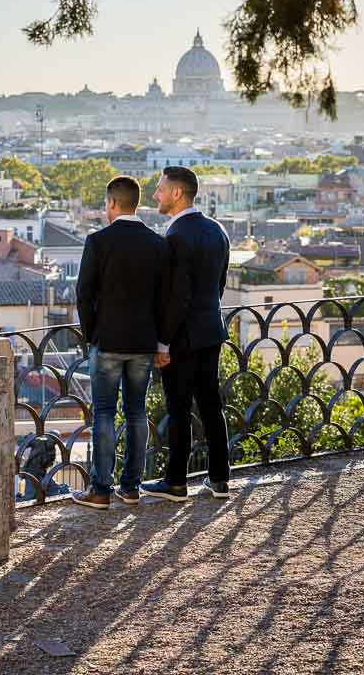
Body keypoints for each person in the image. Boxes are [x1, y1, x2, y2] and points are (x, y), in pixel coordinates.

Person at [72, 175, 170, 509]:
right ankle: (131, 487)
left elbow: (83, 294)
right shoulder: (157, 244)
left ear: (112, 203)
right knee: (136, 411)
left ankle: (100, 490)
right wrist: (160, 340)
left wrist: (91, 335)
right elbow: (164, 300)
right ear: (137, 203)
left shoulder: (98, 242)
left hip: (108, 340)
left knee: (103, 413)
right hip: (143, 341)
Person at [141, 166, 231, 503]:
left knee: (178, 407)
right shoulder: (217, 230)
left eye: (161, 189)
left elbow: (175, 297)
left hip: (182, 336)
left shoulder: (176, 237)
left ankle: (176, 481)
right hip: (211, 329)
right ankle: (219, 478)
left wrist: (163, 341)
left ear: (177, 193)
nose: (156, 195)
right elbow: (218, 284)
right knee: (211, 405)